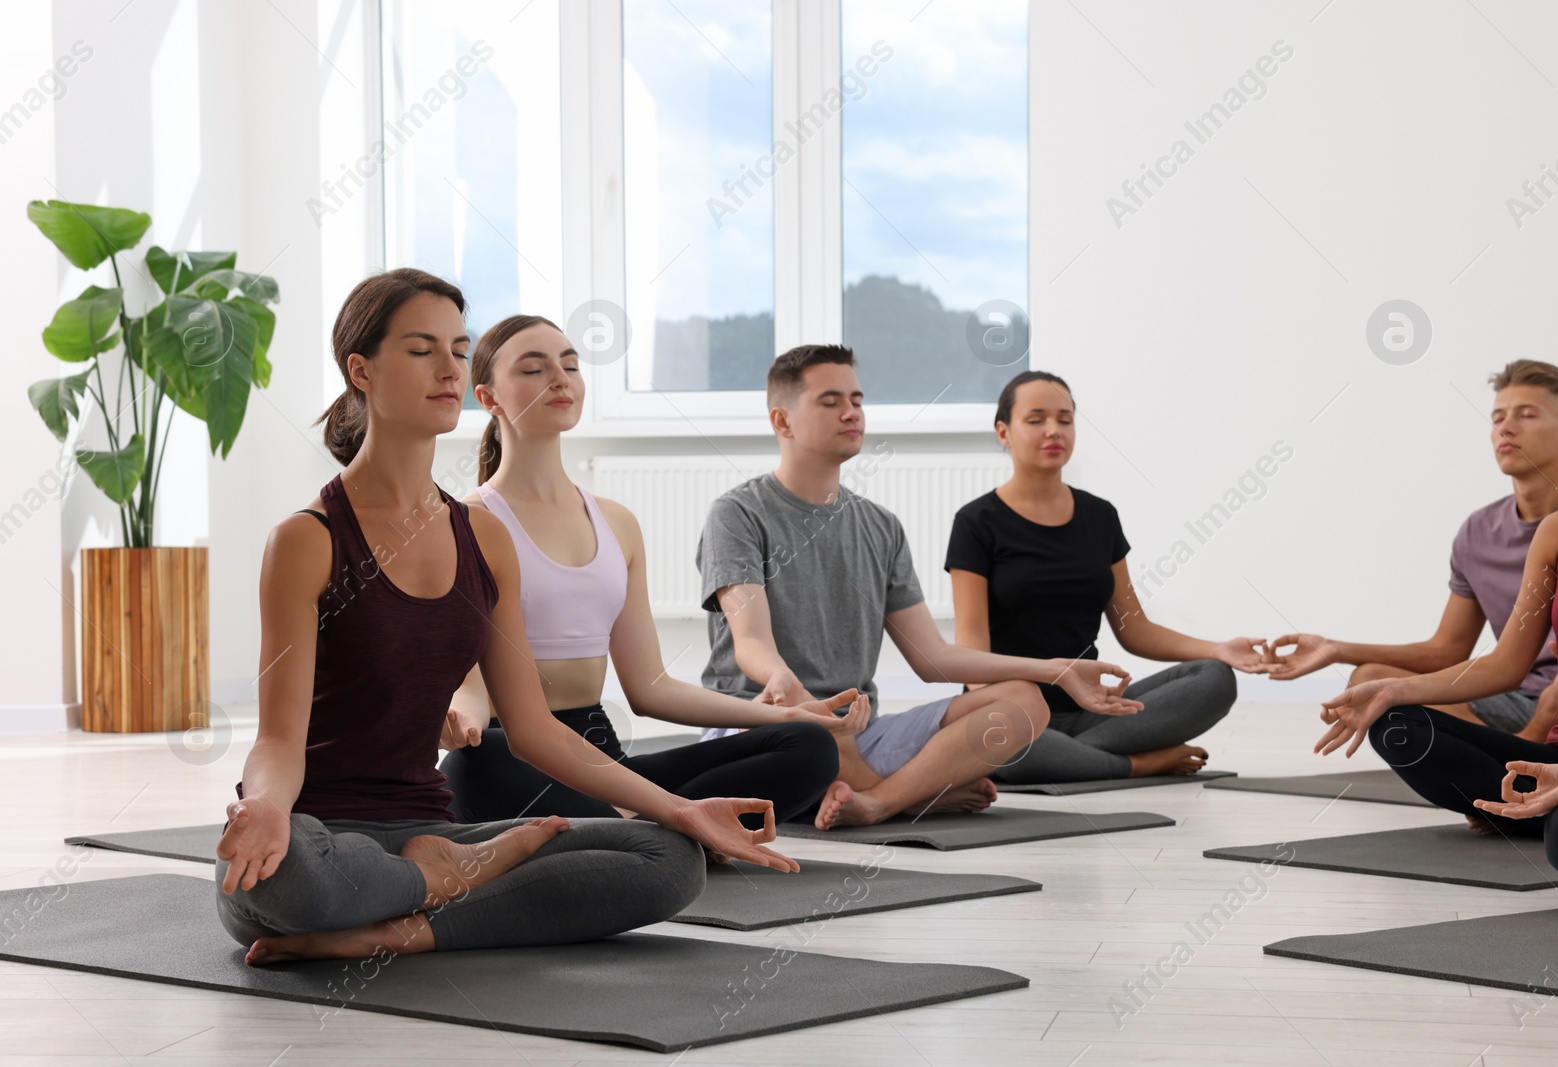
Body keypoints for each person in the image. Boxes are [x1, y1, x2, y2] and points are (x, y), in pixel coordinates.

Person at [214, 270, 798, 967]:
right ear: (361, 370)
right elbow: (278, 739)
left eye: (458, 350)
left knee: (670, 858)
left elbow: (534, 728)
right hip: (317, 834)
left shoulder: (483, 537)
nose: (448, 369)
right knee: (282, 886)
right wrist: (271, 808)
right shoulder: (307, 538)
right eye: (422, 349)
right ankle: (439, 885)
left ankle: (399, 927)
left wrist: (679, 809)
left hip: (434, 827)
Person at [438, 315, 869, 827]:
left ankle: (644, 831)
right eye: (534, 369)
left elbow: (649, 688)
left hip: (603, 756)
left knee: (809, 745)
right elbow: (470, 684)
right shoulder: (468, 523)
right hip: (516, 752)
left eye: (571, 365)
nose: (561, 378)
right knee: (476, 763)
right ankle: (665, 830)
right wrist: (460, 718)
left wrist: (783, 714)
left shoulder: (616, 523)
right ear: (488, 398)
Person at [697, 344, 1144, 831]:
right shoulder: (737, 515)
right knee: (809, 736)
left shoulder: (880, 526)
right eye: (831, 402)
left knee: (1023, 701)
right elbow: (752, 646)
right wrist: (799, 698)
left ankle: (877, 802)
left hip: (857, 730)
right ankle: (911, 793)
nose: (852, 413)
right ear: (782, 421)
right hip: (767, 726)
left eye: (858, 400)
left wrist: (1053, 671)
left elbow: (932, 658)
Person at [1316, 357, 1558, 846]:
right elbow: (1503, 663)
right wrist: (1391, 690)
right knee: (1396, 720)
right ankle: (1533, 803)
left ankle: (1550, 810)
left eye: (1526, 414)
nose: (1506, 426)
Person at [946, 371, 1269, 784]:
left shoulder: (1100, 516)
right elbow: (973, 659)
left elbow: (1134, 628)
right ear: (1003, 431)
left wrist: (1219, 648)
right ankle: (1138, 763)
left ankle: (1072, 760)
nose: (1053, 430)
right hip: (1012, 714)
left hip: (1093, 711)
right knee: (1001, 738)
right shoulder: (977, 522)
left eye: (1065, 419)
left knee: (1213, 678)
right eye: (1036, 419)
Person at [1268, 360, 1558, 738]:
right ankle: (1514, 758)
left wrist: (1549, 710)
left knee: (1556, 698)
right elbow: (1448, 652)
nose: (1506, 427)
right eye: (1497, 417)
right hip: (1508, 692)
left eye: (1526, 415)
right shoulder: (1478, 532)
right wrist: (1335, 649)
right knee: (1372, 681)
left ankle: (1517, 759)